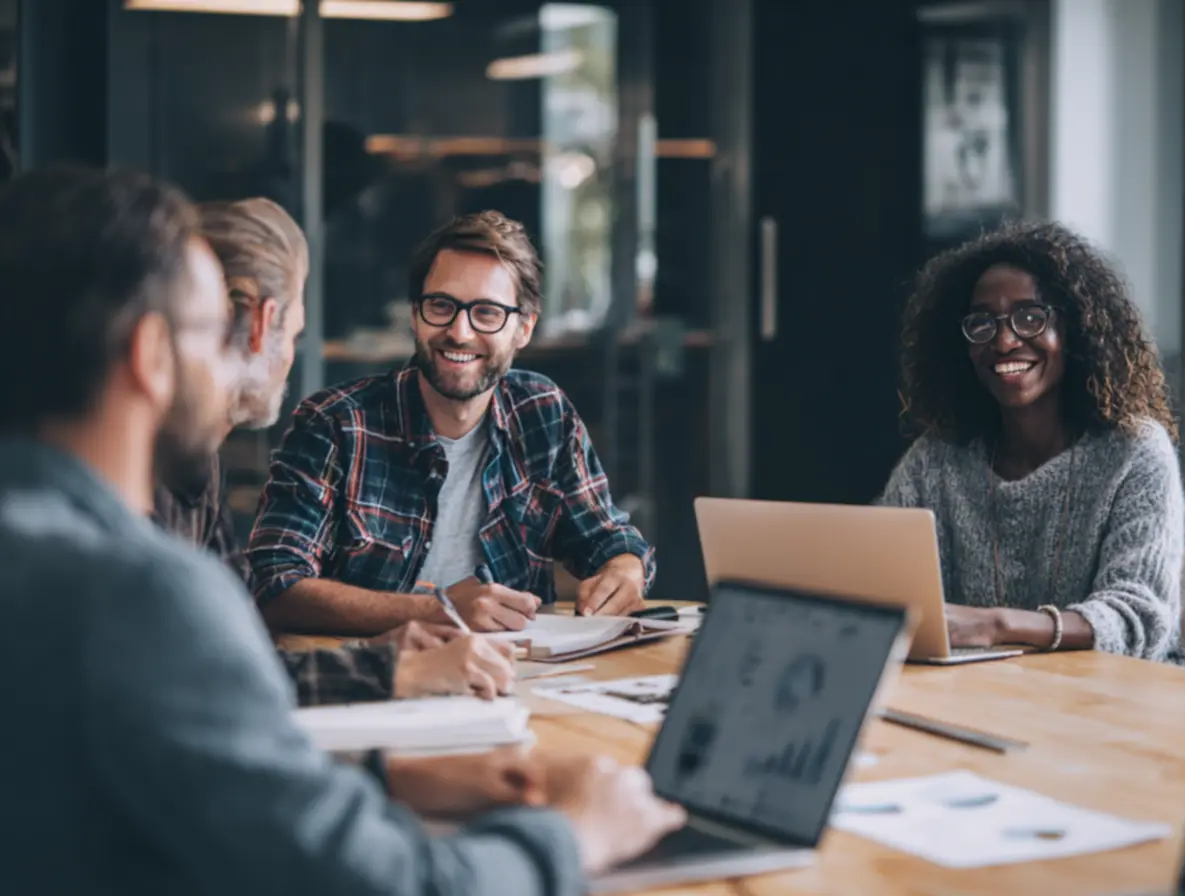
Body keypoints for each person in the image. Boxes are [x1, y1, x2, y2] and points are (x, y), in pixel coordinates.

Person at [0, 164, 683, 894]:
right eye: (215, 333)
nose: (244, 358)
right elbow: (393, 884)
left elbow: (193, 759)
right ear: (151, 355)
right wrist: (573, 833)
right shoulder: (145, 596)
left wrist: (389, 776)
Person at [154, 196, 511, 705]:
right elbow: (196, 683)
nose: (460, 330)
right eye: (296, 334)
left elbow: (237, 656)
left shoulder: (196, 465)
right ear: (263, 323)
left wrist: (378, 659)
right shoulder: (146, 475)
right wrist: (389, 671)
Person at [248, 211, 653, 636]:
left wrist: (625, 569)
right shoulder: (335, 425)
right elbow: (273, 586)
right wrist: (436, 611)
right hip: (378, 672)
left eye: (487, 312)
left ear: (524, 328)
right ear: (415, 315)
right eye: (441, 306)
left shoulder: (541, 412)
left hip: (515, 670)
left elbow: (607, 538)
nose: (459, 332)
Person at [878, 221, 1185, 662]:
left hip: (1111, 694)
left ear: (1076, 328)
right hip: (984, 691)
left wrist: (997, 625)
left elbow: (1138, 618)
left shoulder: (1133, 451)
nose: (1005, 341)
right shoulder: (937, 460)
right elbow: (887, 584)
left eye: (1030, 317)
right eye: (982, 323)